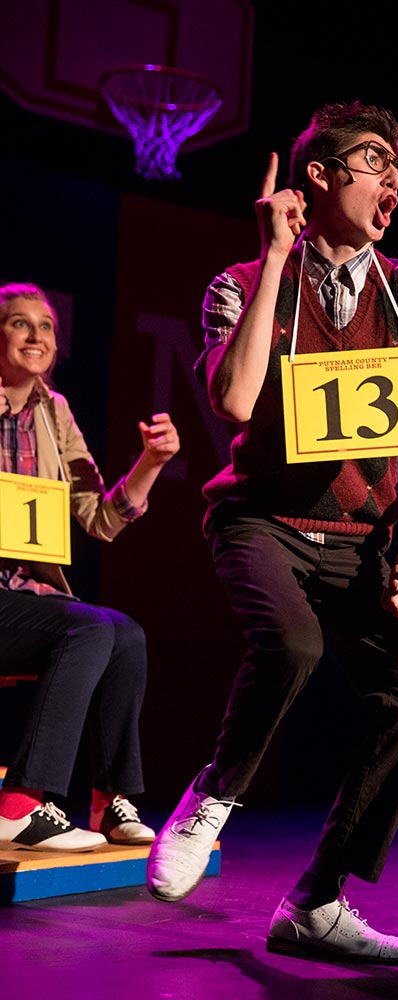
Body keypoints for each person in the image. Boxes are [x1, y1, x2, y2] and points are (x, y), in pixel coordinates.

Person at [146, 101, 398, 964]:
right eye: (371, 161)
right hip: (262, 518)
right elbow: (235, 403)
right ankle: (213, 796)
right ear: (316, 175)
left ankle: (316, 902)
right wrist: (275, 257)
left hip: (362, 538)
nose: (391, 178)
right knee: (289, 645)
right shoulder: (241, 282)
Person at [0, 282, 180, 852]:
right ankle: (22, 802)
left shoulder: (54, 414)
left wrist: (151, 462)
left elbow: (98, 518)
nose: (35, 335)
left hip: (24, 598)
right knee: (89, 627)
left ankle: (110, 801)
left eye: (46, 325)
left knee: (125, 633)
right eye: (18, 323)